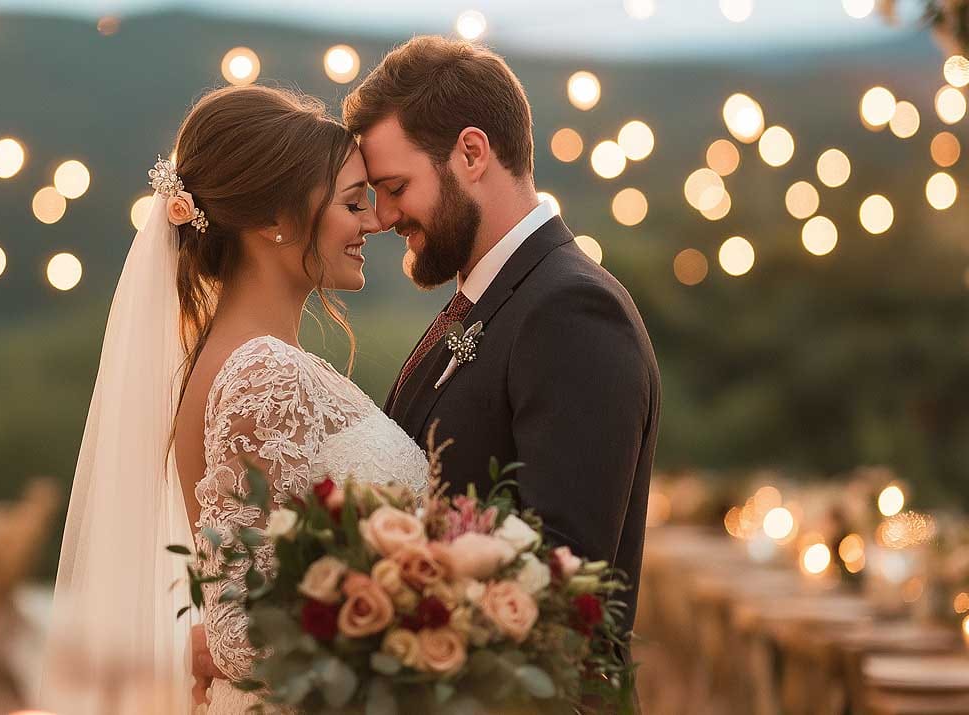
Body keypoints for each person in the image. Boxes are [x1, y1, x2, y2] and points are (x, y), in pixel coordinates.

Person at [39, 85, 430, 714]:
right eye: (353, 202)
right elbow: (248, 631)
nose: (373, 222)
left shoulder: (246, 359)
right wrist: (438, 627)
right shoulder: (260, 374)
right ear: (274, 221)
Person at [344, 35, 661, 656]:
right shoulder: (491, 301)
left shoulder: (571, 311)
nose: (382, 217)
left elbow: (566, 582)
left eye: (396, 186)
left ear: (471, 153)